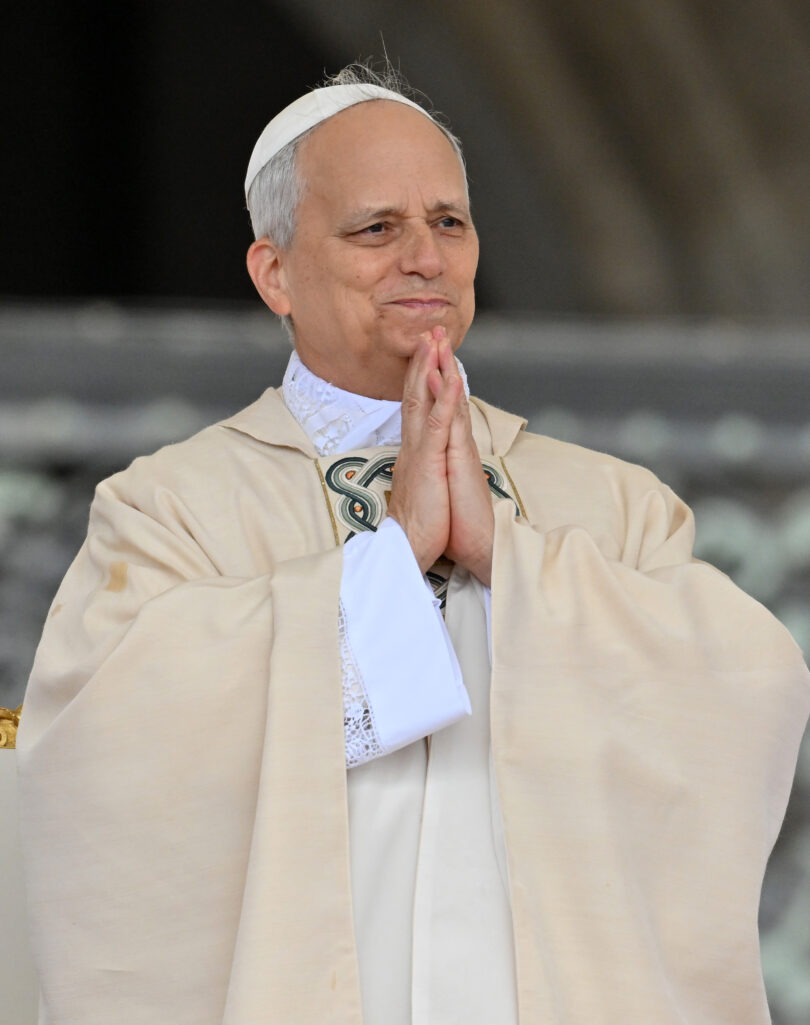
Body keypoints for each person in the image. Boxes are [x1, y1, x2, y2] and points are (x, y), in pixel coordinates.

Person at [17, 64, 810, 1025]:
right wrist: (388, 563)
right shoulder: (171, 512)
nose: (425, 257)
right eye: (376, 229)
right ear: (274, 272)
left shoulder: (609, 505)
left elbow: (747, 695)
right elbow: (96, 765)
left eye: (448, 222)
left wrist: (509, 561)